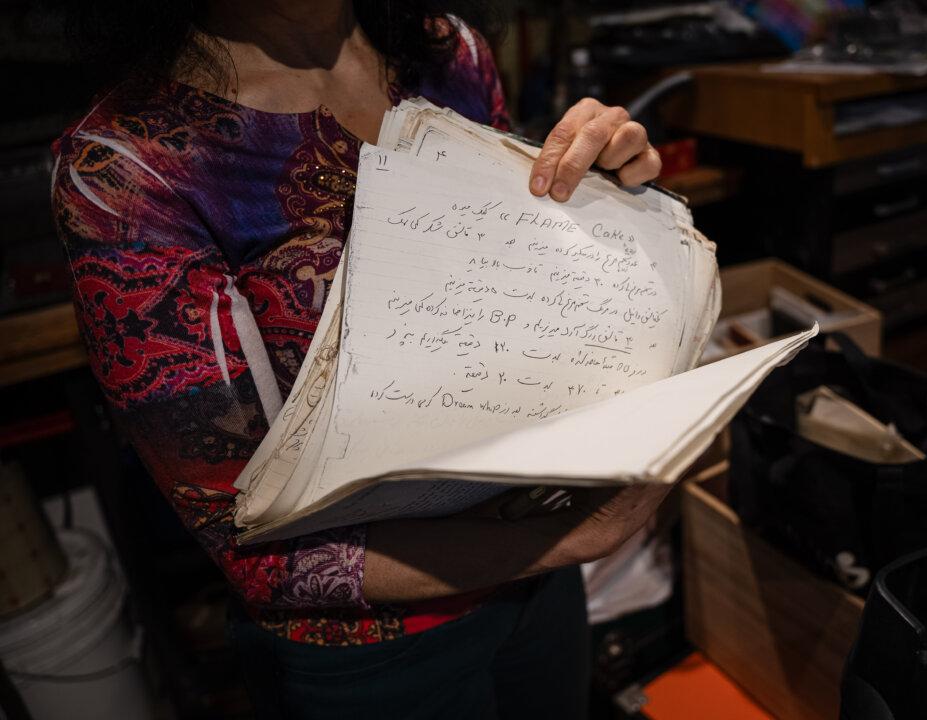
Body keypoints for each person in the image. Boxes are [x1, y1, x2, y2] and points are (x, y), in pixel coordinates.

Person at [53, 2, 668, 718]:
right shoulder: (130, 169)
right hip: (380, 651)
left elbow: (514, 303)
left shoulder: (445, 52)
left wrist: (613, 204)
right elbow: (257, 552)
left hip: (539, 577)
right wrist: (573, 536)